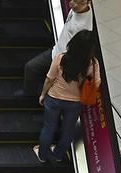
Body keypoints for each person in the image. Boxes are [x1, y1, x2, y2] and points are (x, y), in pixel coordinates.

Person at [34, 30, 100, 163]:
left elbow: (49, 79)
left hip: (54, 98)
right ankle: (58, 155)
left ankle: (42, 155)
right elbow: (97, 83)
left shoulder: (61, 58)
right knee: (68, 130)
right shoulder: (92, 63)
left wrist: (42, 94)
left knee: (48, 127)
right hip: (75, 102)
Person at [21, 0, 95, 97]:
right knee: (30, 68)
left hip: (63, 60)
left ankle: (37, 97)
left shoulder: (83, 28)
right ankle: (29, 94)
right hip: (55, 51)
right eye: (74, 0)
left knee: (36, 71)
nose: (75, 5)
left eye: (81, 3)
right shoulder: (85, 9)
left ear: (88, 3)